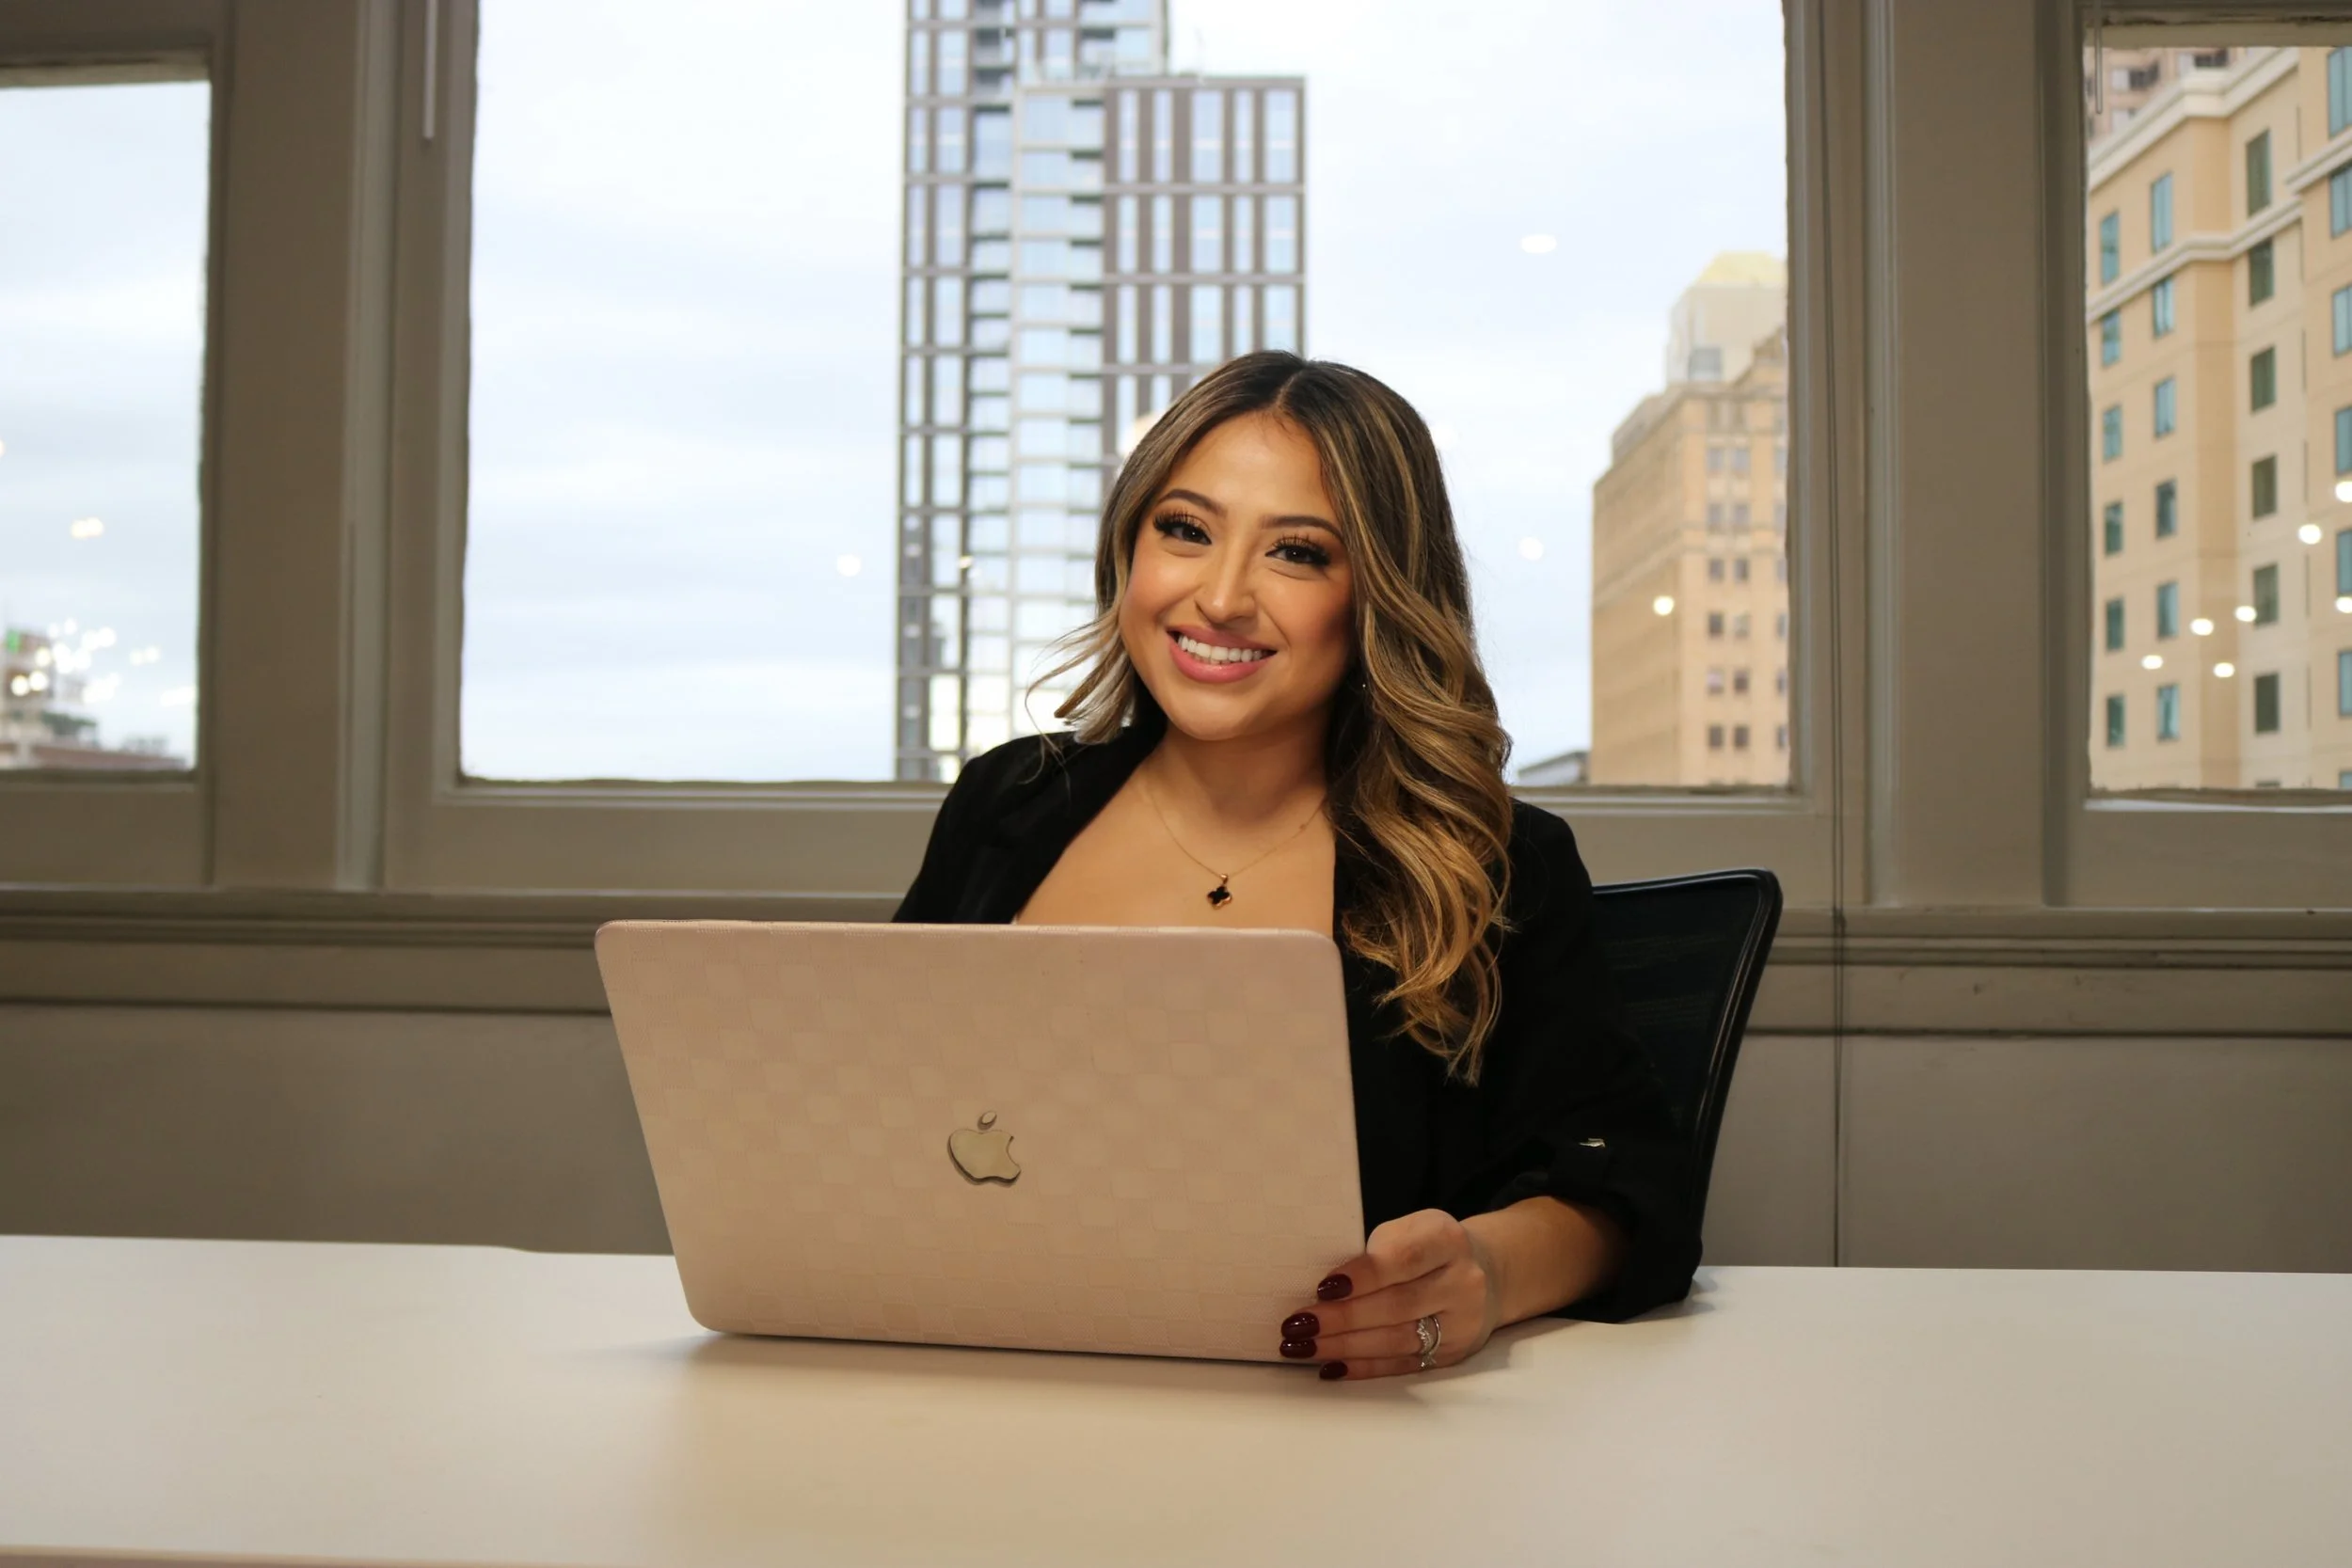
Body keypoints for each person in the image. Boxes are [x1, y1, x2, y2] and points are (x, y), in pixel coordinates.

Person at [895, 351, 1697, 1380]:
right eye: (1184, 530)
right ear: (1127, 550)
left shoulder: (1488, 861)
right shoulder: (1007, 804)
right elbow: (883, 1096)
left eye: (1298, 553)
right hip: (980, 1376)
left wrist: (1485, 1272)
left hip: (1333, 1433)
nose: (1221, 596)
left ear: (1376, 594)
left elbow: (1635, 1188)